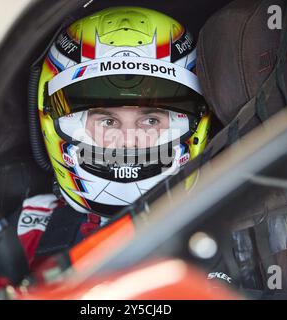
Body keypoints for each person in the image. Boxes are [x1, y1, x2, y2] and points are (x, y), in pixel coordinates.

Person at [15, 6, 210, 268]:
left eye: (150, 120)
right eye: (108, 121)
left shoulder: (230, 220)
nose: (128, 141)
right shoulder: (26, 230)